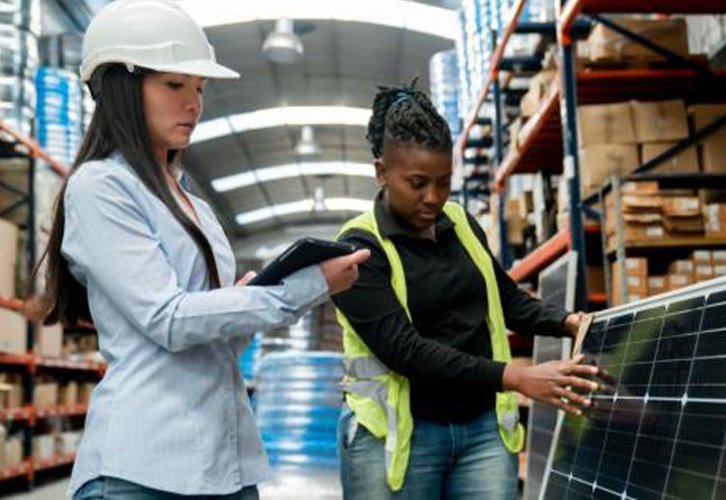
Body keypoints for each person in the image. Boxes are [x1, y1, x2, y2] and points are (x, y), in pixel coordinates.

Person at [34, 1, 370, 498]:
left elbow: (214, 340)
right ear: (120, 87)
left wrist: (246, 298)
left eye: (199, 88)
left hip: (225, 463)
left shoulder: (195, 205)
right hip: (143, 469)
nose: (194, 104)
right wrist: (305, 287)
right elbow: (169, 320)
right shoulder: (100, 187)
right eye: (175, 85)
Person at [332, 80, 600, 500]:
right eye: (418, 183)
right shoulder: (358, 250)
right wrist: (516, 377)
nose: (433, 198)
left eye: (444, 182)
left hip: (481, 432)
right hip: (401, 435)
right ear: (381, 172)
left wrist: (567, 322)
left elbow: (505, 299)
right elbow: (407, 351)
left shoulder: (459, 222)